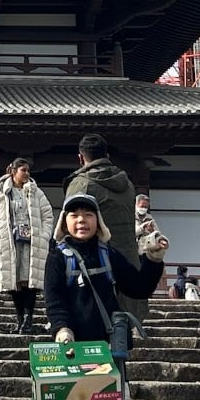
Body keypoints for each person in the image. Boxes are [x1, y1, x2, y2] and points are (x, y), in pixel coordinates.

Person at [44, 192, 167, 400]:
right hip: (71, 347)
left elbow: (138, 286)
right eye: (74, 215)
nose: (81, 220)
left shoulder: (106, 252)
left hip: (108, 347)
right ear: (64, 221)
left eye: (88, 214)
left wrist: (152, 259)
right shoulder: (58, 256)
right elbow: (54, 298)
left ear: (97, 221)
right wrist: (61, 328)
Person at [62, 135, 144, 320]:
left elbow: (72, 228)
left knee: (95, 325)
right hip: (129, 260)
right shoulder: (128, 184)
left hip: (96, 263)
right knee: (123, 325)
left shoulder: (82, 184)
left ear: (81, 158)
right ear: (106, 155)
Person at [0, 157, 57, 334]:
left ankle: (29, 318)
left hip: (32, 243)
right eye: (23, 170)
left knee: (29, 282)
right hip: (10, 242)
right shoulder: (0, 193)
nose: (27, 174)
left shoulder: (36, 192)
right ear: (13, 171)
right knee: (15, 283)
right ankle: (20, 318)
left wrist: (44, 235)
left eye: (28, 171)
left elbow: (47, 215)